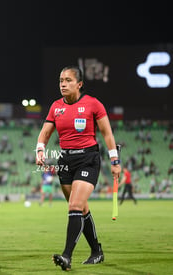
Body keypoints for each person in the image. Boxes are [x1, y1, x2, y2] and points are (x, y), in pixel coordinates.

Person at [35, 66, 121, 271]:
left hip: (88, 159)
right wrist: (40, 150)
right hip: (65, 161)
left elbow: (107, 134)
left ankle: (66, 256)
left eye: (68, 80)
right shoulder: (56, 107)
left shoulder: (93, 104)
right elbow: (45, 133)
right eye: (60, 80)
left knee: (74, 205)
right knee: (81, 209)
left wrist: (115, 162)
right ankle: (96, 251)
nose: (63, 84)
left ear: (79, 84)